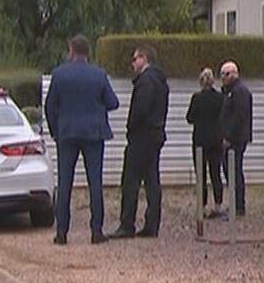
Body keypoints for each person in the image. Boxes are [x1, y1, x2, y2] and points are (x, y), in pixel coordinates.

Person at [43, 35, 119, 246]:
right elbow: (113, 102)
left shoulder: (59, 74)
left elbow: (50, 106)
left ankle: (62, 232)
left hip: (66, 133)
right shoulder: (99, 75)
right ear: (88, 52)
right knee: (95, 182)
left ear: (71, 50)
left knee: (65, 182)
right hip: (93, 133)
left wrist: (55, 131)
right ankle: (96, 231)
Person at [113, 45, 169, 239]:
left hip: (142, 137)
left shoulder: (145, 81)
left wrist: (131, 126)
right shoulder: (161, 81)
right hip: (155, 135)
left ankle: (127, 223)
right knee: (152, 180)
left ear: (144, 58)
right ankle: (152, 223)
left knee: (130, 180)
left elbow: (140, 109)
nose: (133, 63)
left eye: (135, 58)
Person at [185, 67, 225, 219]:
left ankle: (202, 206)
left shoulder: (197, 98)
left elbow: (189, 117)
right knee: (216, 173)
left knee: (200, 174)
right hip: (216, 139)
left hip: (200, 140)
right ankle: (218, 205)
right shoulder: (220, 98)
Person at [218, 60, 254, 218]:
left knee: (234, 172)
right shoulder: (230, 91)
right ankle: (234, 204)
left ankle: (238, 207)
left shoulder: (239, 92)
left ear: (233, 74)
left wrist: (229, 137)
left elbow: (238, 117)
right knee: (230, 172)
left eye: (225, 75)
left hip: (236, 140)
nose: (222, 78)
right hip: (232, 138)